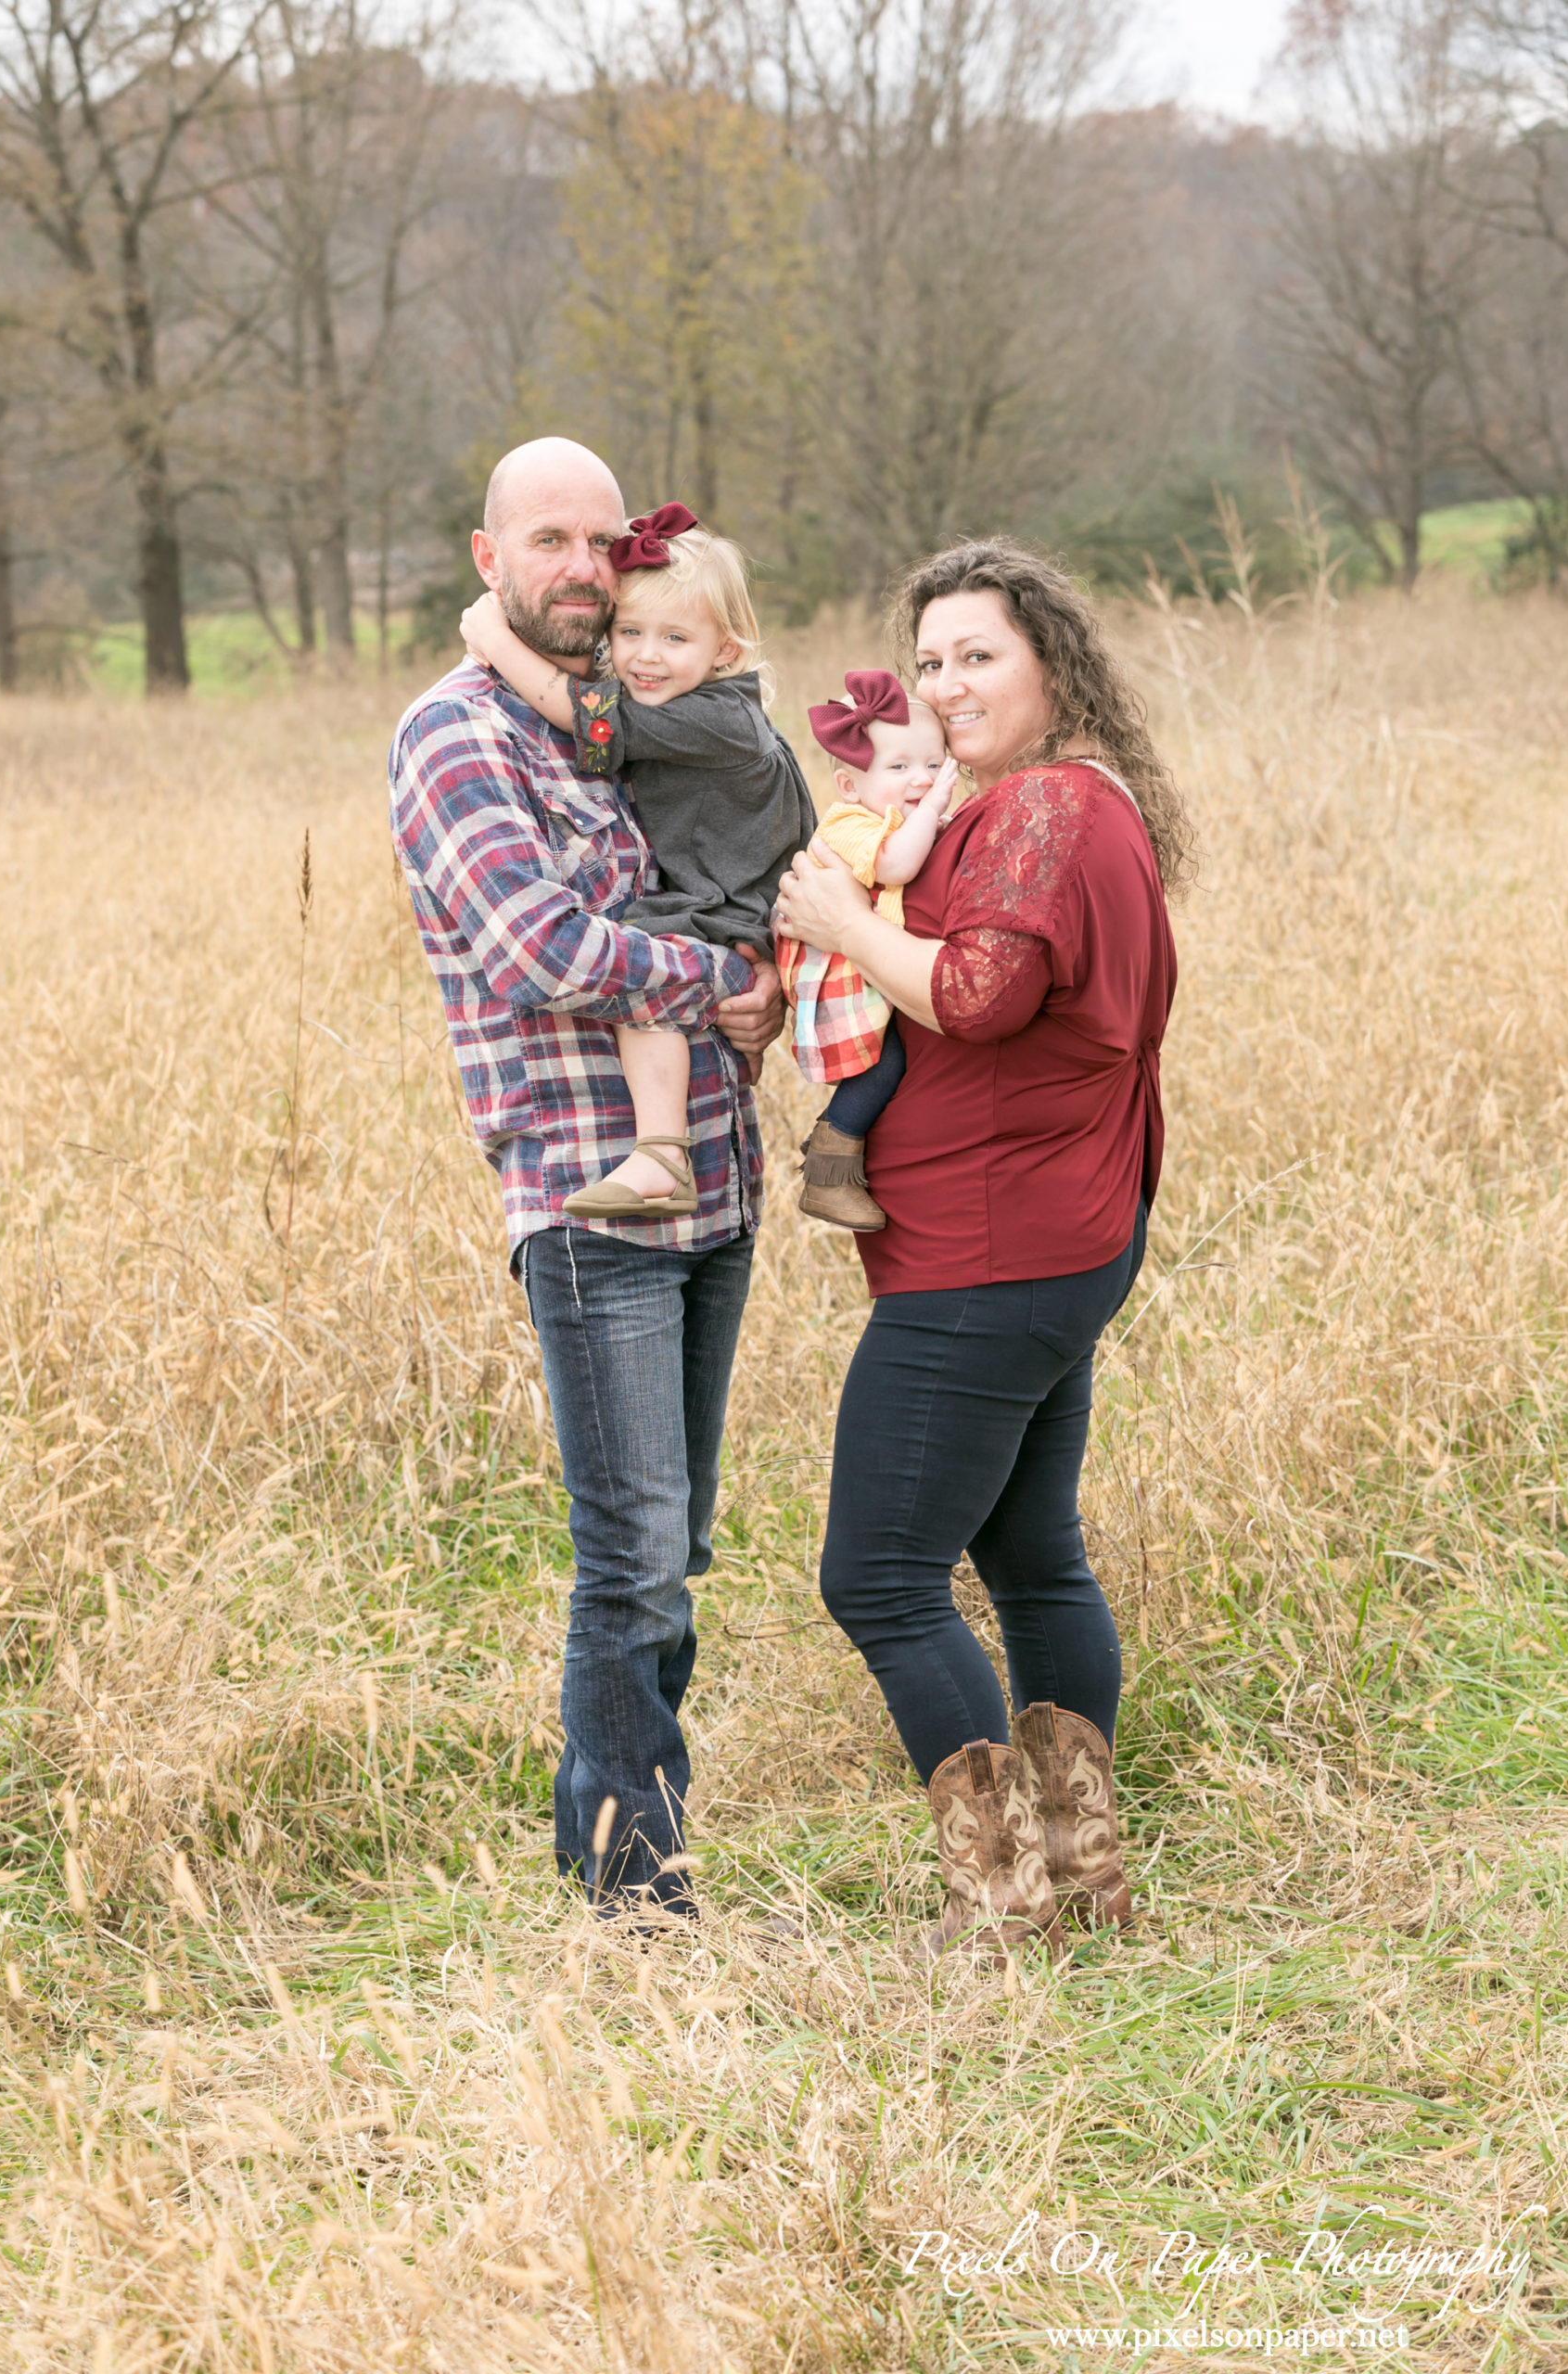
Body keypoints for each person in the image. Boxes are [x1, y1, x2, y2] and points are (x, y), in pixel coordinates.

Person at [772, 538, 1192, 1962]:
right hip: (1052, 1230)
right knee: (1028, 1552)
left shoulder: (1047, 806)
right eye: (930, 660)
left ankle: (1003, 1903)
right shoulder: (1069, 800)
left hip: (995, 1248)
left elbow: (976, 989)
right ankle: (1081, 1877)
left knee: (877, 1575)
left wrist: (838, 922)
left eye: (978, 656)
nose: (946, 685)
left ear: (1050, 664)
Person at [389, 437, 784, 1921]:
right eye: (546, 539)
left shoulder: (633, 710)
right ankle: (630, 1894)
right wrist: (724, 979)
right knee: (631, 1561)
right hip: (587, 1196)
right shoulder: (458, 736)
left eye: (601, 542)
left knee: (677, 1548)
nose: (579, 566)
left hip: (716, 1182)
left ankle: (622, 1845)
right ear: (489, 558)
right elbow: (541, 949)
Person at [459, 504, 814, 1217]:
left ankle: (659, 1152)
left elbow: (587, 717)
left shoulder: (716, 716)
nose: (646, 656)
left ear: (724, 649)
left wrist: (493, 637)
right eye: (629, 633)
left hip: (732, 899)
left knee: (643, 960)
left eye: (674, 638)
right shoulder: (688, 696)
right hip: (732, 891)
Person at [778, 671, 957, 1232]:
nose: (921, 779)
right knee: (884, 1062)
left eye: (934, 764)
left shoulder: (897, 820)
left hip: (859, 958)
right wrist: (934, 809)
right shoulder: (850, 824)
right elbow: (897, 866)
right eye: (898, 767)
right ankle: (828, 1168)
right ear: (850, 786)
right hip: (834, 970)